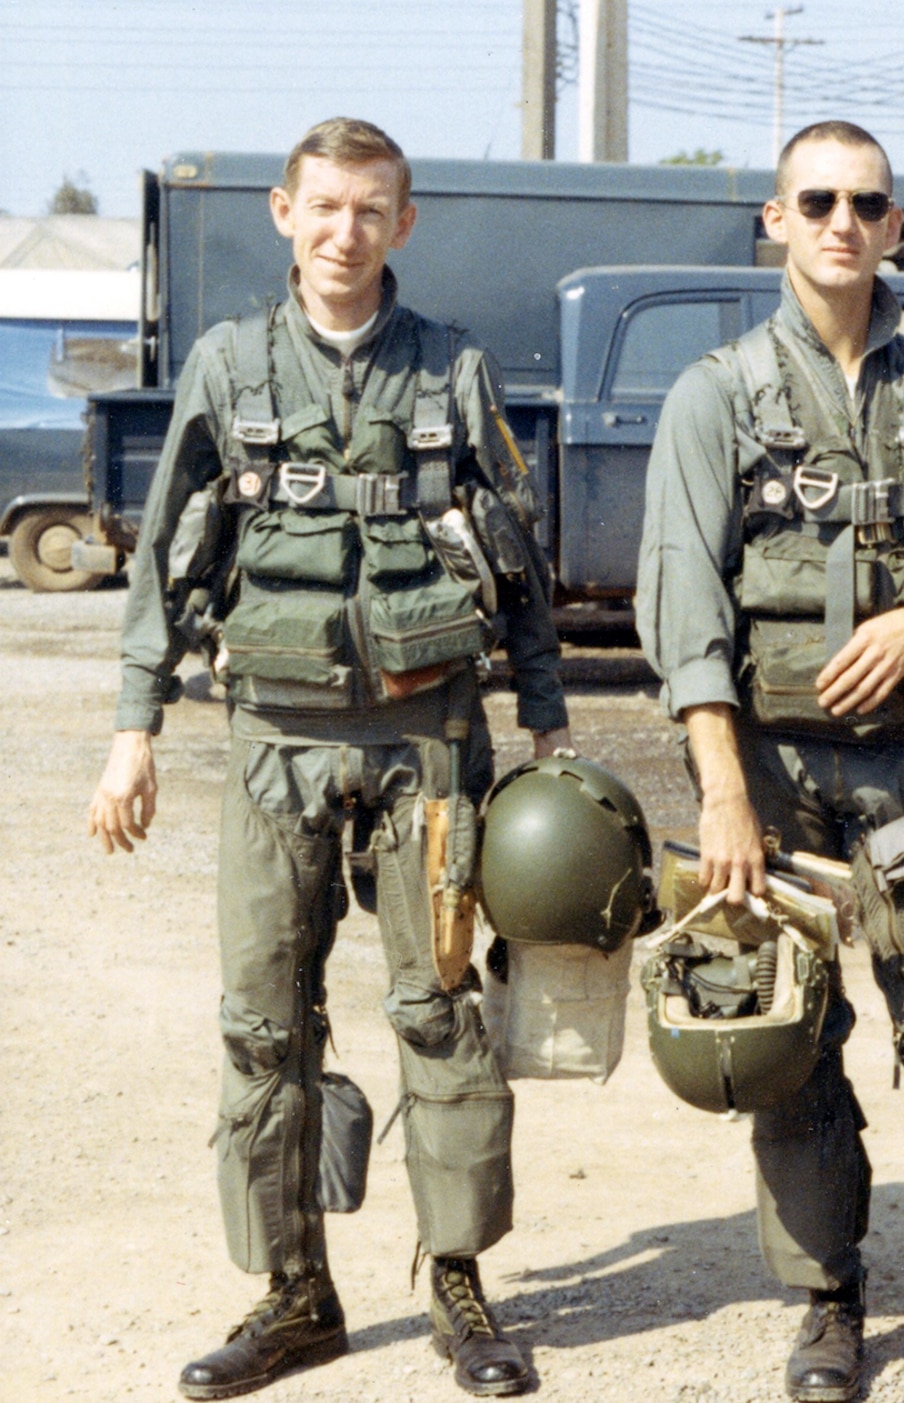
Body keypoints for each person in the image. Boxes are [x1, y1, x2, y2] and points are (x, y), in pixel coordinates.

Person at [87, 118, 571, 1399]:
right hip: (273, 742)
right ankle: (292, 1291)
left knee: (441, 1012)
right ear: (283, 214)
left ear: (402, 224)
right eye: (325, 209)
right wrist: (134, 728)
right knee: (262, 1023)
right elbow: (167, 560)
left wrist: (550, 724)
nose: (345, 232)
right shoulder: (228, 365)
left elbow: (518, 554)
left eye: (372, 211)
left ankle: (460, 1283)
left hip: (429, 738)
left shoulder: (453, 369)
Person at [634, 120, 904, 1403]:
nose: (839, 220)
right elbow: (682, 611)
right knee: (791, 1046)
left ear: (893, 228)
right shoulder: (714, 395)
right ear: (775, 220)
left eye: (863, 202)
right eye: (813, 199)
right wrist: (721, 794)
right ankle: (826, 1304)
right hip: (768, 780)